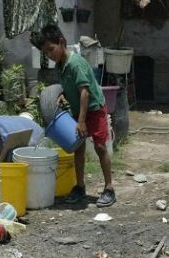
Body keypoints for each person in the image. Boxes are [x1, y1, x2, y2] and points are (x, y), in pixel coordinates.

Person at [30, 24, 115, 207]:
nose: (50, 55)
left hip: (94, 109)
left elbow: (84, 92)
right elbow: (72, 87)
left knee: (100, 147)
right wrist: (64, 95)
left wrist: (82, 121)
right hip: (79, 110)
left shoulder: (75, 63)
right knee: (78, 148)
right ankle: (80, 187)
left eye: (51, 49)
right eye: (46, 53)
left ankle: (109, 188)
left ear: (62, 42)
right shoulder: (61, 65)